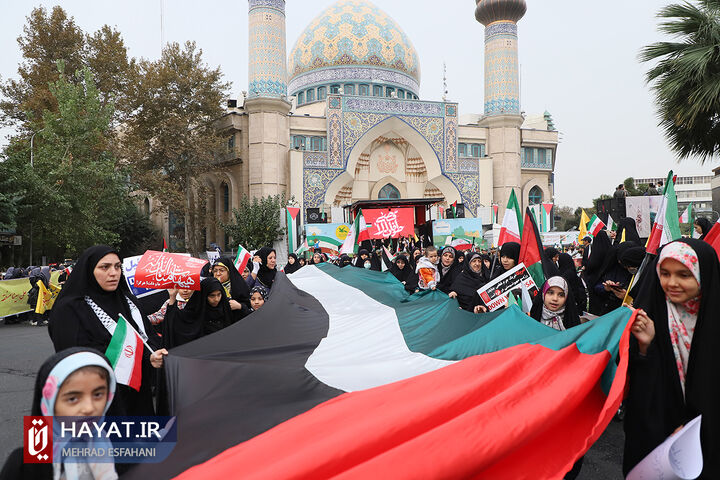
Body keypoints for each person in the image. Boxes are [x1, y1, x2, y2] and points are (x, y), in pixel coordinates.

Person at [624, 239, 719, 478]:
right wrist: (646, 347)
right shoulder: (650, 315)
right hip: (662, 444)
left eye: (684, 275)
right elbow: (638, 393)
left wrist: (695, 429)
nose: (672, 283)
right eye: (664, 273)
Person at [48, 245, 167, 416]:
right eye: (105, 267)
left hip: (137, 396)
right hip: (97, 402)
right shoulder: (70, 308)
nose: (114, 273)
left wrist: (154, 354)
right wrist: (143, 357)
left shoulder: (127, 300)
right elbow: (75, 355)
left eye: (118, 266)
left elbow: (148, 335)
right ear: (89, 270)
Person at [0, 347, 119, 480]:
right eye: (72, 398)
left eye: (98, 395)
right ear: (49, 405)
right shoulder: (23, 466)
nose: (89, 408)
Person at [164, 277, 240, 348]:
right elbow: (174, 320)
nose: (216, 299)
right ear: (204, 295)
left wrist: (241, 307)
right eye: (212, 296)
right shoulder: (195, 312)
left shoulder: (227, 308)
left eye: (219, 295)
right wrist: (172, 297)